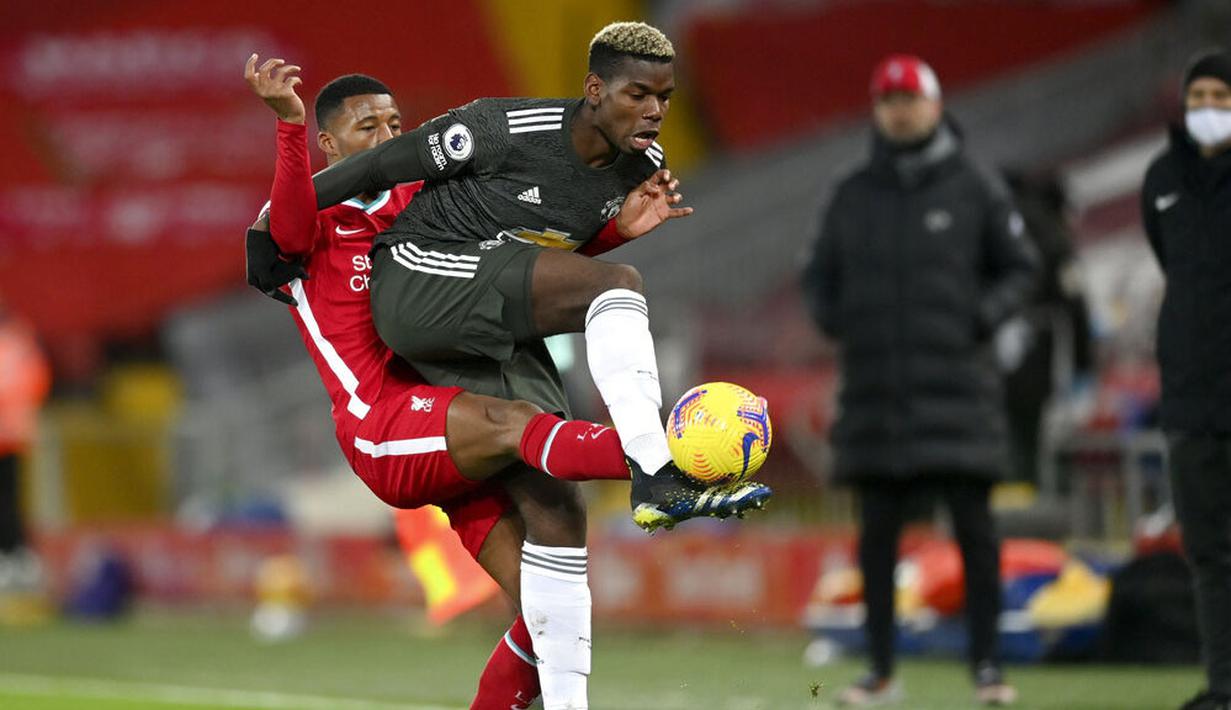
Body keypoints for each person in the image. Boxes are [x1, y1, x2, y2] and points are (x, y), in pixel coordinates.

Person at [243, 56, 765, 710]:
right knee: (512, 421)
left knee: (541, 616)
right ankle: (666, 462)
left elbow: (511, 267)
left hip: (450, 414)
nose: (385, 139)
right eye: (366, 128)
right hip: (382, 426)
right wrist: (288, 125)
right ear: (330, 146)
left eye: (394, 124)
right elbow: (286, 220)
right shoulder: (310, 225)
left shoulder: (415, 205)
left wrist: (608, 235)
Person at [304, 21, 769, 536]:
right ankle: (655, 465)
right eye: (638, 94)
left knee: (557, 500)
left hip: (488, 299)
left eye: (664, 97)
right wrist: (281, 209)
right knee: (617, 285)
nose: (655, 111)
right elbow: (386, 163)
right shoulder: (505, 127)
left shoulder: (643, 166)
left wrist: (614, 231)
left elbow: (546, 260)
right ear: (595, 90)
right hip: (418, 283)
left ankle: (645, 494)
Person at [801, 54, 1038, 707]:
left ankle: (986, 668)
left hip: (958, 391)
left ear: (934, 106)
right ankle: (879, 671)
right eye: (887, 100)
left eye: (909, 99)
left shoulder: (975, 187)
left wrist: (980, 317)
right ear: (878, 111)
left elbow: (1020, 267)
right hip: (875, 392)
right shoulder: (849, 192)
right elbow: (815, 277)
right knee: (875, 537)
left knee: (975, 533)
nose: (899, 110)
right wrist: (840, 321)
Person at [1141, 49, 1231, 710]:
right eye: (1197, 96)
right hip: (1191, 398)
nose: (1206, 108)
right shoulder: (1160, 177)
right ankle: (1223, 687)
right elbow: (1166, 258)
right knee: (1206, 553)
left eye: (1219, 97)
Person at [0, 297, 51, 624]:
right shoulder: (21, 339)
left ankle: (13, 561)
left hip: (9, 435)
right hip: (14, 433)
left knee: (7, 503)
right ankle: (15, 560)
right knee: (9, 501)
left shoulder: (14, 341)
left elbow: (25, 384)